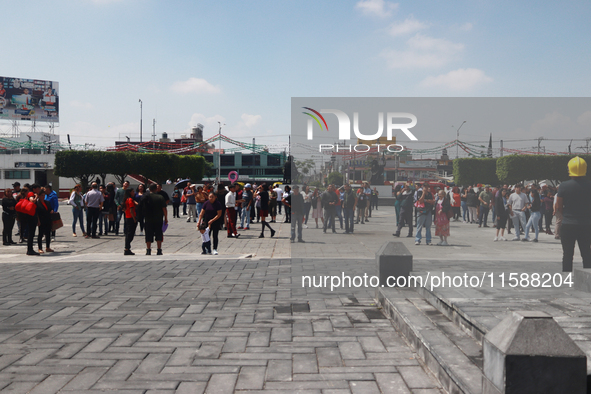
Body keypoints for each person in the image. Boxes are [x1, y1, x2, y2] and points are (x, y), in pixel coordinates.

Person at [556, 157, 591, 272]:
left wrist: (564, 215)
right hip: (586, 225)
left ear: (570, 169)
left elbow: (558, 206)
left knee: (567, 254)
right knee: (586, 253)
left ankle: (567, 278)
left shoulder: (564, 186)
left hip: (568, 224)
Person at [142, 184, 168, 255]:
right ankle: (159, 250)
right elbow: (164, 208)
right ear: (156, 189)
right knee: (159, 234)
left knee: (148, 234)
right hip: (158, 218)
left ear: (149, 189)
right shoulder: (160, 197)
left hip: (148, 218)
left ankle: (148, 250)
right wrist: (166, 218)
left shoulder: (146, 197)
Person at [24, 184, 41, 255]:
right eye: (38, 189)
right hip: (30, 216)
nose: (39, 190)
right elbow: (32, 201)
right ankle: (30, 250)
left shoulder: (32, 193)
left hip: (33, 216)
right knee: (31, 233)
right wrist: (36, 196)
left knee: (32, 233)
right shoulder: (31, 193)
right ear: (35, 189)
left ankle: (30, 249)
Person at [36, 187, 54, 253]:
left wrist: (51, 211)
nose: (43, 197)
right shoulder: (37, 203)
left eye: (44, 195)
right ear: (39, 196)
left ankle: (48, 247)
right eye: (42, 195)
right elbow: (37, 213)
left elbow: (50, 209)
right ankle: (40, 248)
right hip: (41, 220)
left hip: (48, 220)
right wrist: (38, 221)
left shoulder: (47, 202)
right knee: (40, 234)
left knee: (48, 234)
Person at [123, 188, 138, 255]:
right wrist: (134, 219)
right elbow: (131, 210)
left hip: (127, 217)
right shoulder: (130, 200)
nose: (134, 192)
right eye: (133, 191)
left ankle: (127, 248)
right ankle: (127, 248)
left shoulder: (126, 199)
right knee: (130, 234)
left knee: (128, 233)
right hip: (131, 218)